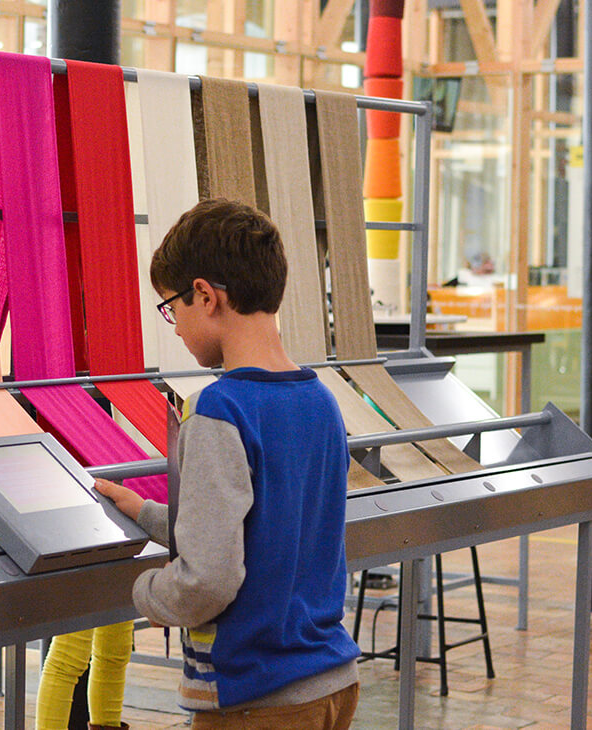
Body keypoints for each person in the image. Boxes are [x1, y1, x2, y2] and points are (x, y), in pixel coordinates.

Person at [95, 198, 361, 729]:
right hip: (331, 682)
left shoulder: (219, 409)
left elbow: (208, 582)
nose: (173, 328)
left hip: (255, 698)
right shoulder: (320, 399)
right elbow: (270, 526)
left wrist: (139, 593)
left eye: (171, 308)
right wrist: (147, 513)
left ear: (204, 296)